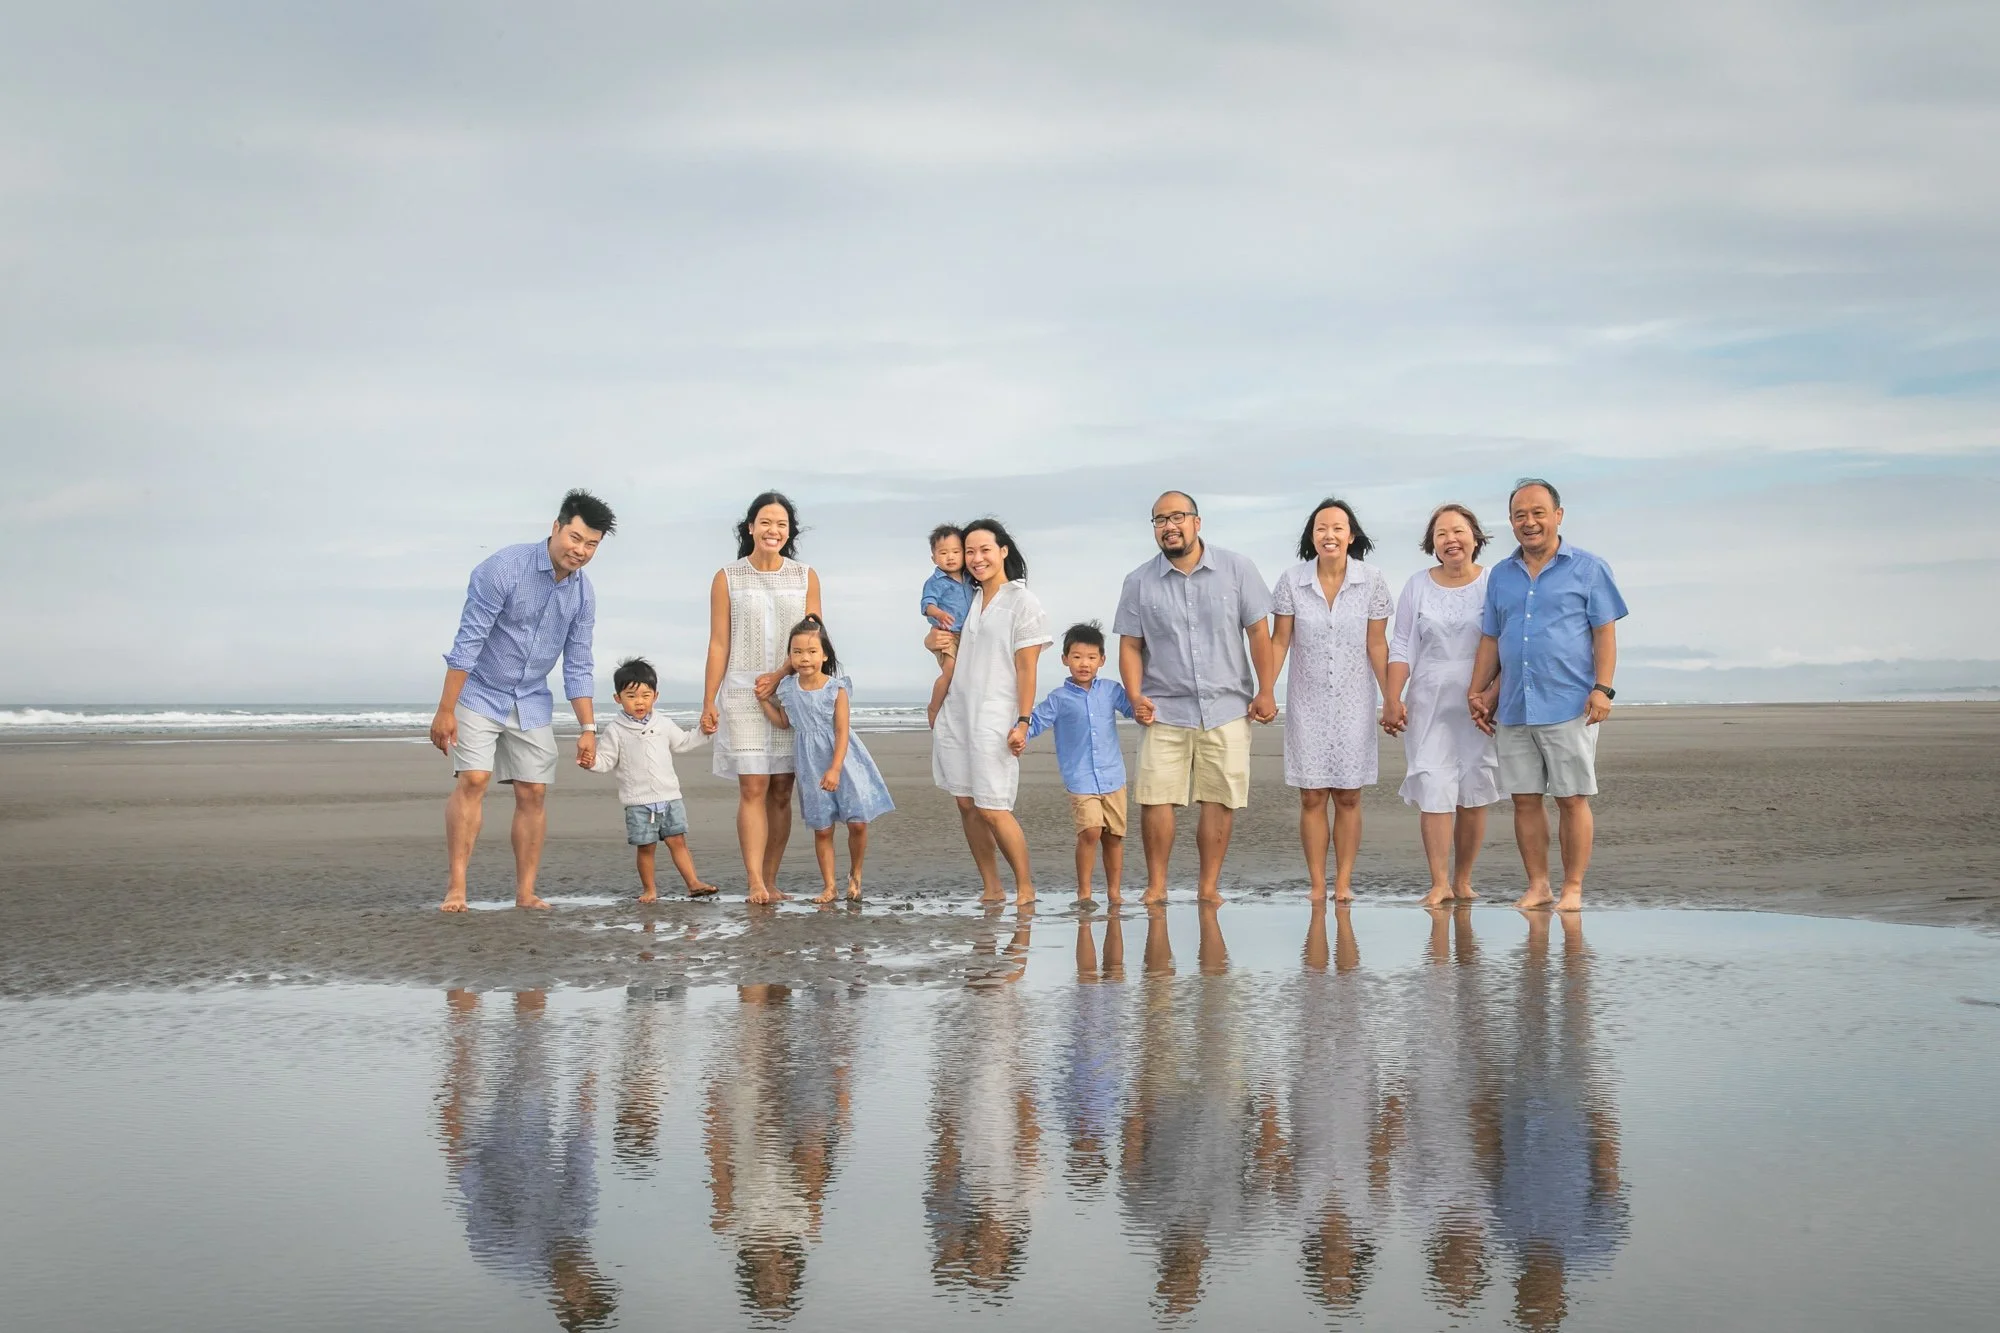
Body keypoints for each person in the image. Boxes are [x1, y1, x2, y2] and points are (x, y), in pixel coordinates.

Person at [432, 488, 614, 912]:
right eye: (575, 538)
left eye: (592, 545)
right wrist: (445, 710)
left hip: (531, 697)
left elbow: (579, 663)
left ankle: (526, 892)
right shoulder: (502, 569)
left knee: (533, 791)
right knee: (474, 779)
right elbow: (469, 642)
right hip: (480, 689)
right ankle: (457, 888)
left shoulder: (583, 595)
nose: (581, 551)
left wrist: (589, 728)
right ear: (556, 528)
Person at [1469, 479, 1628, 912]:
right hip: (1516, 705)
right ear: (1511, 522)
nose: (1529, 522)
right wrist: (1478, 691)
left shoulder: (1589, 568)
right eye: (1520, 515)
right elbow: (1491, 639)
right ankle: (1538, 886)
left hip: (1569, 703)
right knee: (1524, 800)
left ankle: (1573, 887)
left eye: (1538, 512)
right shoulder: (1501, 574)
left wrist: (1603, 688)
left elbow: (1605, 632)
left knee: (1572, 797)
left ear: (1558, 515)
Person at [1115, 492, 1277, 904]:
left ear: (1197, 522)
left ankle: (1209, 887)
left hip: (1227, 706)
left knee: (1220, 798)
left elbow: (1259, 632)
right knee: (1155, 797)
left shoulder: (1237, 569)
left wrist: (1267, 689)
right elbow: (1131, 646)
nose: (1169, 526)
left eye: (1177, 517)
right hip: (1163, 707)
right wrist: (1135, 695)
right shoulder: (1138, 581)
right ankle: (1157, 886)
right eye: (1159, 521)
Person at [1265, 498, 1394, 903]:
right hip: (1307, 701)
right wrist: (1266, 689)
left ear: (1351, 535)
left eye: (1338, 528)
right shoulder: (1291, 581)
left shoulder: (1372, 580)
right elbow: (1280, 640)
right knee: (1312, 794)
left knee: (1349, 794)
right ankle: (1318, 883)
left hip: (1356, 700)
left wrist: (1392, 696)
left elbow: (1377, 643)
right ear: (1312, 536)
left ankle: (1344, 883)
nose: (1329, 535)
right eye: (1321, 528)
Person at [700, 492, 822, 904]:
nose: (774, 530)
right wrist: (708, 700)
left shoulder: (805, 576)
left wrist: (781, 675)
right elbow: (719, 643)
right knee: (753, 785)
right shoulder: (727, 577)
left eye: (782, 524)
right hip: (743, 693)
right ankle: (754, 881)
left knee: (782, 790)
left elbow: (813, 639)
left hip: (791, 690)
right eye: (766, 522)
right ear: (750, 527)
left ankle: (771, 880)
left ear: (790, 532)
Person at [927, 518, 1054, 906]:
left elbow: (1027, 667)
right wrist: (931, 640)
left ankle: (1025, 887)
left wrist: (1023, 720)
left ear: (1003, 551)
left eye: (985, 549)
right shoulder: (969, 598)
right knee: (965, 802)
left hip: (995, 714)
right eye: (969, 551)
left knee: (993, 805)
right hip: (959, 711)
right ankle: (992, 886)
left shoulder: (1021, 602)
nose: (977, 558)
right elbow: (949, 651)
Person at [1384, 504, 1504, 907]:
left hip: (1479, 697)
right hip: (1429, 697)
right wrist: (1392, 696)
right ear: (1432, 544)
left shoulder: (1494, 581)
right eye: (1441, 534)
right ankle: (1439, 882)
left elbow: (1504, 640)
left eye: (1458, 531)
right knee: (1434, 783)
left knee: (1473, 785)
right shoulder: (1417, 585)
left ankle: (1464, 880)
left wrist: (1492, 694)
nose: (1451, 539)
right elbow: (1401, 644)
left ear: (1475, 536)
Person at [759, 616, 896, 904]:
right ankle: (829, 887)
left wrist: (835, 768)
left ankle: (855, 875)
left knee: (857, 822)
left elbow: (842, 730)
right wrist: (763, 702)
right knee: (822, 828)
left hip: (843, 759)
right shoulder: (786, 688)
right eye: (797, 652)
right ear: (790, 656)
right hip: (809, 762)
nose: (804, 658)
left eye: (811, 652)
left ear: (824, 655)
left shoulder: (836, 687)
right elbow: (784, 722)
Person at [1015, 621, 1136, 905]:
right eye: (1078, 657)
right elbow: (1035, 721)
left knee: (1114, 837)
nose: (1084, 663)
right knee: (1091, 830)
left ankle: (1114, 892)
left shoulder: (1110, 690)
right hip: (1080, 777)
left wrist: (1147, 706)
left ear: (1102, 660)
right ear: (1065, 659)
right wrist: (1019, 734)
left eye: (1092, 657)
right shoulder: (1059, 698)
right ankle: (1084, 892)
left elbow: (1133, 709)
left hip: (1113, 775)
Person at [583, 656, 717, 902]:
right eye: (631, 696)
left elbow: (683, 743)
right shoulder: (616, 730)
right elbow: (606, 761)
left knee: (678, 841)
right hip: (638, 801)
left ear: (655, 696)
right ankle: (650, 890)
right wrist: (591, 762)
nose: (639, 702)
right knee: (646, 848)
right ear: (617, 698)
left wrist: (703, 732)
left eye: (645, 695)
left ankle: (694, 883)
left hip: (670, 797)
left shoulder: (663, 723)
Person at [920, 524, 974, 727]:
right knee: (950, 671)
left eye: (955, 552)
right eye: (943, 553)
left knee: (966, 676)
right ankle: (934, 706)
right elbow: (927, 604)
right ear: (934, 558)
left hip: (967, 635)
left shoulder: (970, 578)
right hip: (947, 634)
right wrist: (938, 613)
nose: (950, 557)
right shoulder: (936, 581)